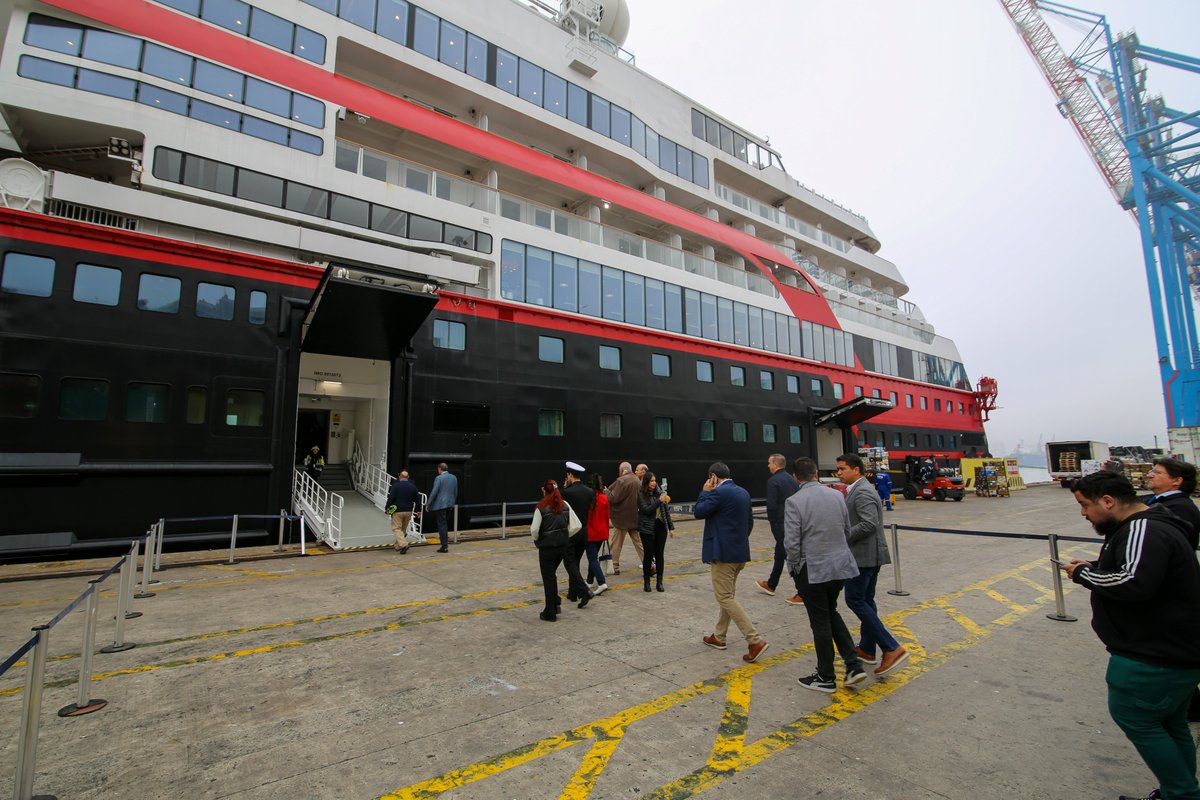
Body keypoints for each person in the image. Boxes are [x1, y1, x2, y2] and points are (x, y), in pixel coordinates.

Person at [1061, 471, 1200, 800]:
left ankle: (1182, 795)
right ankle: (1178, 790)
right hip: (1177, 652)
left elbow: (1132, 582)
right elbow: (1143, 567)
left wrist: (1084, 574)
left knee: (1137, 719)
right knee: (1171, 724)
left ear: (1108, 501)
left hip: (1152, 657)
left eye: (1084, 505)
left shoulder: (1141, 527)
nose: (1083, 514)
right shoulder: (1155, 522)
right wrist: (1097, 565)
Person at [785, 457, 866, 693]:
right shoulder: (837, 495)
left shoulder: (794, 501)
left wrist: (795, 567)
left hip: (813, 569)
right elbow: (847, 529)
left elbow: (791, 543)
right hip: (839, 566)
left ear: (795, 477)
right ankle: (853, 665)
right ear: (816, 473)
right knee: (831, 612)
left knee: (819, 621)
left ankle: (826, 676)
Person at [837, 453, 908, 676]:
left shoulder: (863, 492)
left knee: (854, 599)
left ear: (856, 470)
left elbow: (869, 524)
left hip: (864, 556)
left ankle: (891, 647)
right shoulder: (860, 490)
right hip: (868, 555)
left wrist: (844, 536)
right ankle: (868, 649)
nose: (838, 473)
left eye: (842, 469)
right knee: (866, 599)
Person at [695, 462, 768, 663]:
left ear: (713, 476)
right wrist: (738, 541)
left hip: (723, 555)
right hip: (739, 552)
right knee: (727, 595)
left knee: (725, 597)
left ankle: (754, 640)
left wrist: (704, 492)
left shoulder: (719, 493)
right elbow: (749, 523)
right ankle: (719, 637)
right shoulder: (743, 492)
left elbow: (699, 511)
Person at [530, 479, 585, 621]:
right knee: (551, 575)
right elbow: (576, 525)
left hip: (547, 548)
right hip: (562, 547)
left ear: (544, 491)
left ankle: (550, 611)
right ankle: (555, 603)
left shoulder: (541, 507)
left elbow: (534, 530)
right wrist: (565, 536)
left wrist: (538, 540)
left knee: (548, 578)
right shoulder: (565, 505)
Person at [756, 453, 801, 603]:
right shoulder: (791, 479)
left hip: (780, 523)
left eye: (769, 463)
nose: (768, 465)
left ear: (775, 464)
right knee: (779, 554)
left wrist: (772, 522)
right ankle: (771, 584)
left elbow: (772, 505)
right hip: (792, 521)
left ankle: (802, 591)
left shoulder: (773, 481)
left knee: (788, 555)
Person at [1143, 457, 1200, 550]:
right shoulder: (1155, 500)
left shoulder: (1181, 508)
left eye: (1157, 473)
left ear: (1177, 481)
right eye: (1151, 471)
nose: (1149, 475)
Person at [560, 461, 595, 606]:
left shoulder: (566, 492)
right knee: (576, 561)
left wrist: (564, 489)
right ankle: (572, 593)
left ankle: (584, 590)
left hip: (571, 532)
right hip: (584, 531)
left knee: (569, 562)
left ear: (569, 475)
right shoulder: (590, 491)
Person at [637, 472, 674, 592]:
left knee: (659, 555)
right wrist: (658, 501)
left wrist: (671, 528)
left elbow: (665, 512)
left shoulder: (660, 494)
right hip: (647, 528)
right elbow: (646, 510)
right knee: (648, 555)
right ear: (646, 482)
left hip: (660, 527)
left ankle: (659, 582)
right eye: (651, 481)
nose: (654, 483)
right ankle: (646, 582)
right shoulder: (641, 494)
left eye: (655, 481)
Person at [607, 462, 645, 575]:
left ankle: (615, 566)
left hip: (621, 519)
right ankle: (648, 563)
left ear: (622, 470)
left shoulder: (621, 481)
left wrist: (605, 491)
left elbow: (614, 498)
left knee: (616, 543)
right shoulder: (636, 480)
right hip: (634, 518)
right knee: (638, 543)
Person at [584, 474, 611, 594]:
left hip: (590, 533)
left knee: (592, 559)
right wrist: (607, 534)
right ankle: (589, 581)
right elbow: (607, 517)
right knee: (593, 557)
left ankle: (601, 582)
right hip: (602, 532)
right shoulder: (604, 498)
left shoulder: (587, 498)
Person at [385, 470, 420, 553]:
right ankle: (398, 546)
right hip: (408, 511)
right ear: (408, 477)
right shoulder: (413, 486)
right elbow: (418, 499)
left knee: (396, 528)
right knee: (403, 529)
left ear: (400, 477)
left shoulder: (396, 486)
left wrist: (387, 508)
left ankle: (403, 545)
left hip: (398, 511)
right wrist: (418, 510)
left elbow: (391, 498)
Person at [426, 462, 458, 553]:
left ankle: (444, 546)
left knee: (442, 525)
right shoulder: (454, 477)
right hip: (449, 504)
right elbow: (455, 492)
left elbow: (434, 492)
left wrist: (428, 504)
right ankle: (445, 544)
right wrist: (452, 502)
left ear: (439, 469)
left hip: (440, 505)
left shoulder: (439, 478)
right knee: (445, 524)